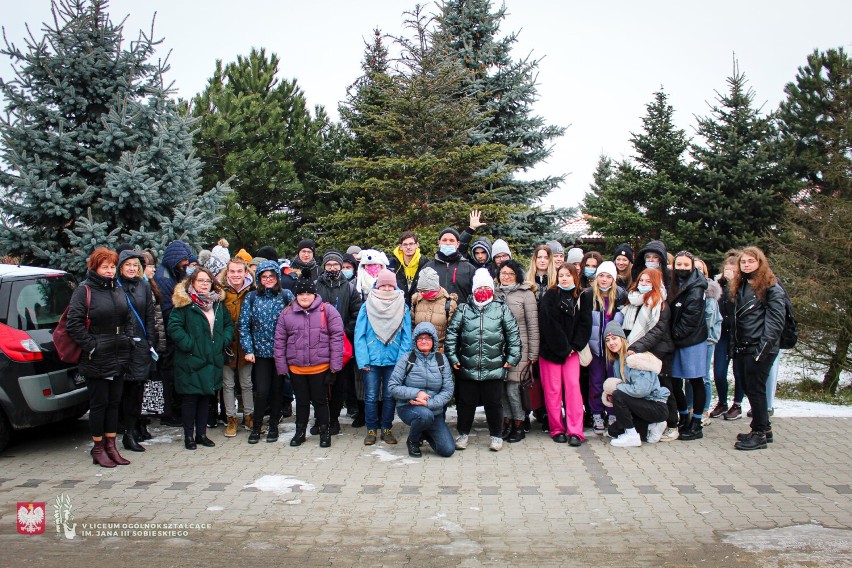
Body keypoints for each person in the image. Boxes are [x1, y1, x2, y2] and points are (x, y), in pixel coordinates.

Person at [66, 247, 134, 468]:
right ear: (94, 267)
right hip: (96, 356)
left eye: (113, 267)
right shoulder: (84, 290)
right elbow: (73, 324)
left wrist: (128, 339)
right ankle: (98, 447)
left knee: (114, 403)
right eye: (105, 267)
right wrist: (92, 346)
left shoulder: (117, 289)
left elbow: (128, 318)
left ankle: (112, 445)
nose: (109, 271)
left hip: (118, 353)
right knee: (99, 404)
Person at [446, 268, 521, 452]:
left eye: (486, 288)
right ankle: (463, 434)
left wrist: (512, 357)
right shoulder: (463, 309)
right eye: (479, 288)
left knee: (494, 404)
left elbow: (513, 335)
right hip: (467, 367)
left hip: (494, 367)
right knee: (466, 404)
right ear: (473, 290)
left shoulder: (501, 309)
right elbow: (451, 335)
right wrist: (453, 357)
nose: (482, 292)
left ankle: (496, 435)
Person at [274, 269, 345, 448]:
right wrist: (282, 368)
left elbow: (337, 338)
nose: (304, 297)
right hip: (297, 368)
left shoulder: (327, 310)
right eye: (300, 294)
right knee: (302, 402)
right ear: (296, 295)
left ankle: (324, 432)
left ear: (314, 294)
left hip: (320, 367)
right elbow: (280, 341)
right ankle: (300, 432)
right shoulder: (287, 313)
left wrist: (334, 368)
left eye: (308, 293)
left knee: (321, 401)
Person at [168, 267, 234, 450]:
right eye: (200, 281)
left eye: (207, 281)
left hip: (211, 358)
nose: (204, 284)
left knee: (206, 398)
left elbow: (228, 325)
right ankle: (189, 436)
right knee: (190, 399)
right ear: (192, 283)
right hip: (191, 359)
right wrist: (189, 344)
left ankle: (202, 434)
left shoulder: (217, 304)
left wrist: (223, 340)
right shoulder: (185, 303)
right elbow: (174, 327)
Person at [730, 247, 785, 450]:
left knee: (756, 389)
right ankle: (762, 428)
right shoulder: (743, 285)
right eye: (743, 262)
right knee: (750, 387)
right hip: (745, 345)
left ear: (760, 263)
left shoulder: (771, 287)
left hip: (761, 347)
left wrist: (761, 350)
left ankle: (760, 433)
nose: (746, 265)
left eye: (751, 261)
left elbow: (775, 323)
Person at [354, 269, 412, 446]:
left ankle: (386, 429)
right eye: (383, 285)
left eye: (390, 285)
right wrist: (363, 359)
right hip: (371, 359)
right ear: (377, 285)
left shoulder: (403, 305)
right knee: (371, 396)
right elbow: (359, 335)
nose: (386, 288)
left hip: (393, 360)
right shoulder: (367, 305)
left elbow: (406, 336)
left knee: (389, 396)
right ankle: (371, 430)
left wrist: (401, 361)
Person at [240, 261, 295, 444]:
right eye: (264, 276)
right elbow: (244, 325)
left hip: (280, 352)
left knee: (277, 390)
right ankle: (256, 426)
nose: (268, 279)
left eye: (271, 276)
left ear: (277, 278)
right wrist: (248, 349)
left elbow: (296, 320)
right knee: (262, 390)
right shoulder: (252, 297)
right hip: (260, 353)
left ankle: (273, 426)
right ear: (259, 279)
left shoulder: (285, 295)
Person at [538, 263, 592, 446]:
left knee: (573, 390)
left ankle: (575, 431)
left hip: (572, 352)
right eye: (561, 275)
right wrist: (562, 347)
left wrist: (574, 346)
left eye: (568, 275)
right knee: (553, 391)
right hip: (550, 352)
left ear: (575, 277)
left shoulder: (583, 296)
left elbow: (585, 324)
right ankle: (557, 428)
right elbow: (548, 324)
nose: (564, 278)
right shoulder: (550, 296)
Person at [620, 268, 677, 441]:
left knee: (663, 388)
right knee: (643, 389)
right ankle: (648, 424)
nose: (644, 284)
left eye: (648, 281)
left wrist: (636, 346)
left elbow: (657, 330)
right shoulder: (634, 300)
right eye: (642, 281)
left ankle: (671, 423)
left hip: (658, 351)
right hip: (637, 350)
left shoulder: (660, 303)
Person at [388, 322, 456, 458]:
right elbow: (392, 386)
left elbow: (448, 390)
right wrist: (416, 393)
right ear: (415, 341)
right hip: (409, 407)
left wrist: (429, 403)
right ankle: (412, 441)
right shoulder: (407, 359)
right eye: (420, 338)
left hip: (434, 410)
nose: (424, 341)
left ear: (434, 341)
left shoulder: (441, 359)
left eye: (427, 338)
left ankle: (424, 431)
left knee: (447, 450)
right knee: (424, 416)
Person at [314, 250, 363, 435]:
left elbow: (357, 313)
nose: (332, 268)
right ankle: (320, 419)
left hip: (342, 343)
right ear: (324, 267)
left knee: (339, 384)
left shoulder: (349, 288)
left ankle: (333, 419)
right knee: (319, 384)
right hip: (318, 343)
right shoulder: (316, 286)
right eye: (329, 265)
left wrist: (344, 330)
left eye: (336, 265)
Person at [602, 321, 670, 447]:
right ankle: (652, 426)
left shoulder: (635, 358)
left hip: (654, 405)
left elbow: (641, 390)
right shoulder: (617, 362)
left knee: (618, 394)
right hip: (640, 406)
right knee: (613, 431)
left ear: (622, 339)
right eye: (607, 340)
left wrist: (616, 387)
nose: (611, 343)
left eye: (614, 338)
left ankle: (632, 435)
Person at [494, 259, 540, 443]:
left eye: (510, 274)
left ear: (517, 276)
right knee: (502, 390)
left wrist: (533, 355)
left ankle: (519, 424)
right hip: (498, 350)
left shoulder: (526, 295)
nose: (505, 277)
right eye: (503, 273)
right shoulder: (495, 293)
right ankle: (507, 423)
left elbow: (533, 326)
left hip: (520, 349)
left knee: (514, 390)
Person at [116, 250, 156, 453]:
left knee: (135, 392)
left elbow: (149, 315)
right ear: (120, 266)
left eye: (135, 265)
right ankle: (115, 432)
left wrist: (150, 341)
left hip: (140, 346)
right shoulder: (114, 286)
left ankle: (130, 433)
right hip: (119, 346)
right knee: (118, 392)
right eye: (128, 265)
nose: (132, 268)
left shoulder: (143, 286)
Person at [582, 260, 626, 434]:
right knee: (596, 383)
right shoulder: (588, 295)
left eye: (608, 276)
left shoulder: (621, 296)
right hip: (596, 349)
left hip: (614, 350)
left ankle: (613, 413)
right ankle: (597, 413)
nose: (604, 280)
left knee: (614, 382)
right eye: (601, 275)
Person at [668, 251, 709, 441]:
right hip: (674, 339)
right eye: (679, 265)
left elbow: (690, 319)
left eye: (686, 265)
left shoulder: (697, 287)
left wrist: (672, 337)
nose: (682, 268)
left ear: (691, 266)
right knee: (675, 381)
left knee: (695, 380)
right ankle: (684, 415)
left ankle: (697, 422)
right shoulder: (672, 283)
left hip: (692, 340)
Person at [153, 239, 192, 427]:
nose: (186, 264)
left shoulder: (172, 274)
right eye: (184, 260)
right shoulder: (164, 278)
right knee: (166, 375)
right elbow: (167, 310)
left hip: (171, 335)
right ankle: (168, 413)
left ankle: (172, 410)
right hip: (168, 337)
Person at [220, 257, 256, 437]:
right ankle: (231, 418)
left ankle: (249, 415)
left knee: (247, 383)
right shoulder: (220, 292)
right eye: (232, 271)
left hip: (246, 344)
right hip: (226, 343)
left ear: (245, 272)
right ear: (228, 272)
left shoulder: (253, 290)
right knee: (227, 384)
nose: (235, 275)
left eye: (239, 271)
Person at [710, 251, 746, 420]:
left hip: (739, 335)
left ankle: (737, 404)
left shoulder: (743, 287)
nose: (729, 273)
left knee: (739, 373)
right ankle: (722, 402)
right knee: (719, 372)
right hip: (722, 335)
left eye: (733, 270)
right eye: (727, 269)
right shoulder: (719, 287)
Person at [686, 258, 722, 426]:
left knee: (703, 376)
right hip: (690, 339)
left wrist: (698, 336)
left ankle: (704, 410)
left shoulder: (710, 291)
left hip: (705, 339)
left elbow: (710, 319)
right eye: (696, 269)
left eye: (701, 269)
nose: (698, 272)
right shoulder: (688, 287)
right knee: (689, 376)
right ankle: (690, 407)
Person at [409, 266, 458, 352]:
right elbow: (412, 326)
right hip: (419, 351)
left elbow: (453, 333)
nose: (422, 293)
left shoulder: (449, 304)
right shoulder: (416, 301)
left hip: (441, 352)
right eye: (420, 290)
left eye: (426, 291)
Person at [424, 228, 476, 304]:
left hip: (461, 314)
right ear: (439, 243)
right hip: (435, 314)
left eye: (452, 240)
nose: (448, 243)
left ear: (458, 244)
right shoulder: (428, 268)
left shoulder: (469, 269)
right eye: (444, 240)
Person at [388, 231, 428, 305]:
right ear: (400, 247)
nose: (408, 247)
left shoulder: (426, 264)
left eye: (411, 244)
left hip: (419, 306)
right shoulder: (392, 264)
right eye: (405, 244)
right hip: (398, 305)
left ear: (417, 245)